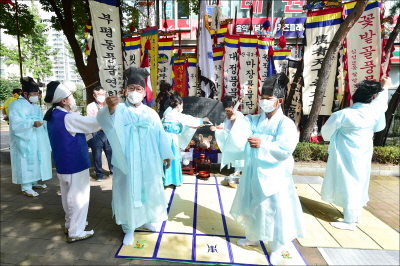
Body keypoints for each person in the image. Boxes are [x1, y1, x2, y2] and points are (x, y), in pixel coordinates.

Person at [219, 74, 305, 265]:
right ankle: (253, 235)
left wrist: (263, 144)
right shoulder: (255, 119)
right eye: (263, 98)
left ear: (279, 101)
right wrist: (233, 119)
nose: (264, 102)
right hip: (253, 170)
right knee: (253, 202)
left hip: (274, 173)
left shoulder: (286, 124)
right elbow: (242, 129)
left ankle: (277, 246)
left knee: (275, 208)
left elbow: (285, 149)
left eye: (268, 99)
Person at [97, 67, 174, 246]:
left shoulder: (150, 112)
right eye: (131, 88)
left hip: (149, 159)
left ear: (144, 91)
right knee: (128, 190)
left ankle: (145, 219)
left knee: (148, 188)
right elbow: (104, 120)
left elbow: (160, 134)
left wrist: (166, 155)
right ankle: (129, 227)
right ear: (125, 91)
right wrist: (109, 107)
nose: (135, 92)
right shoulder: (119, 109)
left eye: (139, 89)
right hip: (128, 159)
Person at [320, 77, 391, 231]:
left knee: (348, 182)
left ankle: (349, 221)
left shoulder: (342, 115)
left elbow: (326, 133)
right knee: (360, 181)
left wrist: (334, 136)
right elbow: (381, 102)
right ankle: (355, 214)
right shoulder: (373, 110)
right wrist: (385, 87)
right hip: (364, 152)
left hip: (346, 153)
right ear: (371, 98)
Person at [44, 81, 101, 243]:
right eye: (70, 96)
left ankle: (71, 224)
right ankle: (76, 231)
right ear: (63, 100)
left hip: (63, 163)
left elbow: (76, 133)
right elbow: (93, 123)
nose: (72, 98)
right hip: (75, 163)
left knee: (68, 196)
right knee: (79, 197)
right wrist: (108, 112)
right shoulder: (68, 117)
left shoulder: (53, 115)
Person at [8, 77, 52, 197]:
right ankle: (26, 187)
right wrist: (31, 123)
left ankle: (34, 180)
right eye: (34, 93)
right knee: (25, 160)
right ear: (25, 93)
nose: (36, 96)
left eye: (37, 94)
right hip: (24, 137)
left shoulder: (36, 107)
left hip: (37, 136)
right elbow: (16, 122)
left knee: (38, 158)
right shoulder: (15, 104)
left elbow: (40, 119)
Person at [162, 91, 208, 187]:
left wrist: (193, 126)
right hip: (171, 140)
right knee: (172, 157)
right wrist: (201, 120)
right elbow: (187, 119)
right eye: (182, 104)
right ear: (178, 105)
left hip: (166, 139)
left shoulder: (169, 113)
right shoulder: (174, 113)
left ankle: (166, 179)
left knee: (168, 157)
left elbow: (182, 124)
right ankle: (171, 180)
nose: (182, 107)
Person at [210, 95, 245, 187]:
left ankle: (241, 173)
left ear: (232, 107)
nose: (227, 112)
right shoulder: (227, 116)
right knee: (234, 157)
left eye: (228, 110)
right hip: (231, 139)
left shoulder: (239, 115)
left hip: (240, 139)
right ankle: (236, 172)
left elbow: (240, 126)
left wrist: (234, 119)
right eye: (225, 111)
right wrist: (216, 128)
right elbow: (224, 125)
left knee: (241, 157)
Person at [86, 86, 113, 182]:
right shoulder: (91, 106)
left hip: (108, 132)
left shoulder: (109, 105)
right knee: (96, 154)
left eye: (102, 94)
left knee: (110, 153)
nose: (101, 96)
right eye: (99, 94)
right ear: (94, 95)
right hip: (96, 133)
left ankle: (112, 171)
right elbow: (91, 120)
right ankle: (99, 174)